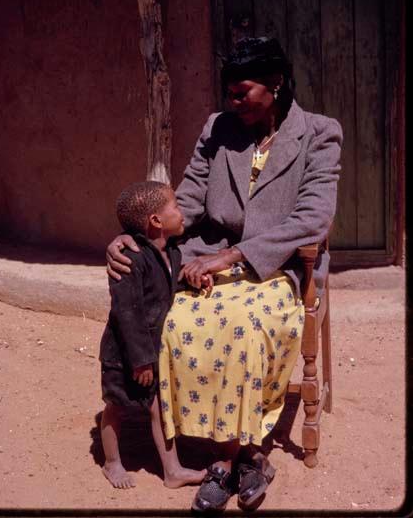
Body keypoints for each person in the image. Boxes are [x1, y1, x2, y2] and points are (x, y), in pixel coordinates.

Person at [106, 37, 343, 512]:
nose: (233, 102)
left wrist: (235, 255)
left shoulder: (319, 133)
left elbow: (312, 218)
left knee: (243, 329)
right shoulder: (218, 128)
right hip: (208, 255)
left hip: (277, 265)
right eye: (229, 92)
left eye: (243, 91)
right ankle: (243, 457)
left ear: (275, 85)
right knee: (175, 322)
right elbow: (186, 202)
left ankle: (232, 458)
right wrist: (130, 234)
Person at [99, 180, 207, 490]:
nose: (181, 210)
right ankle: (112, 462)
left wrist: (194, 282)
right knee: (116, 407)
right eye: (175, 205)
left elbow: (166, 289)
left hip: (152, 348)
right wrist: (141, 360)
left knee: (159, 408)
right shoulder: (130, 259)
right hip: (124, 353)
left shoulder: (170, 252)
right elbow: (126, 314)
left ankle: (172, 471)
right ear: (156, 221)